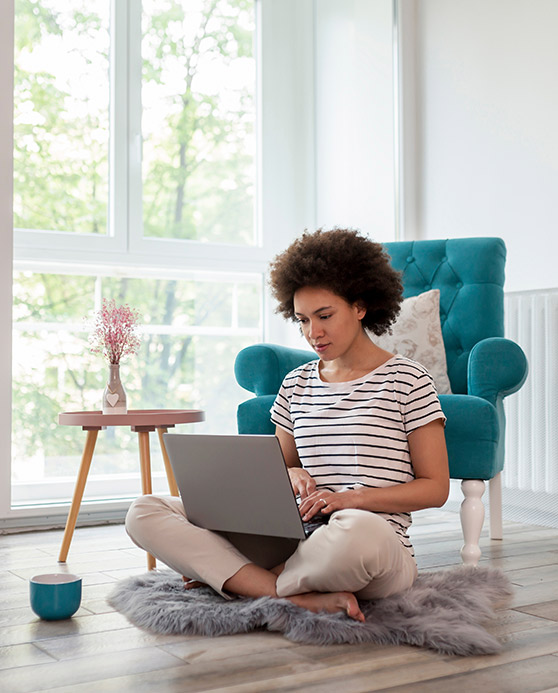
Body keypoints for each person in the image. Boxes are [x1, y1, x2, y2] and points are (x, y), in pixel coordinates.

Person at [125, 228, 449, 622]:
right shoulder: (296, 384)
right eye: (302, 320)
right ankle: (288, 593)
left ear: (360, 306)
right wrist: (293, 476)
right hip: (296, 540)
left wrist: (350, 499)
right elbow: (280, 467)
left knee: (357, 531)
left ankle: (240, 581)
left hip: (369, 544)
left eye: (325, 316)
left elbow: (436, 488)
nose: (314, 332)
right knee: (145, 511)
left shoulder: (407, 380)